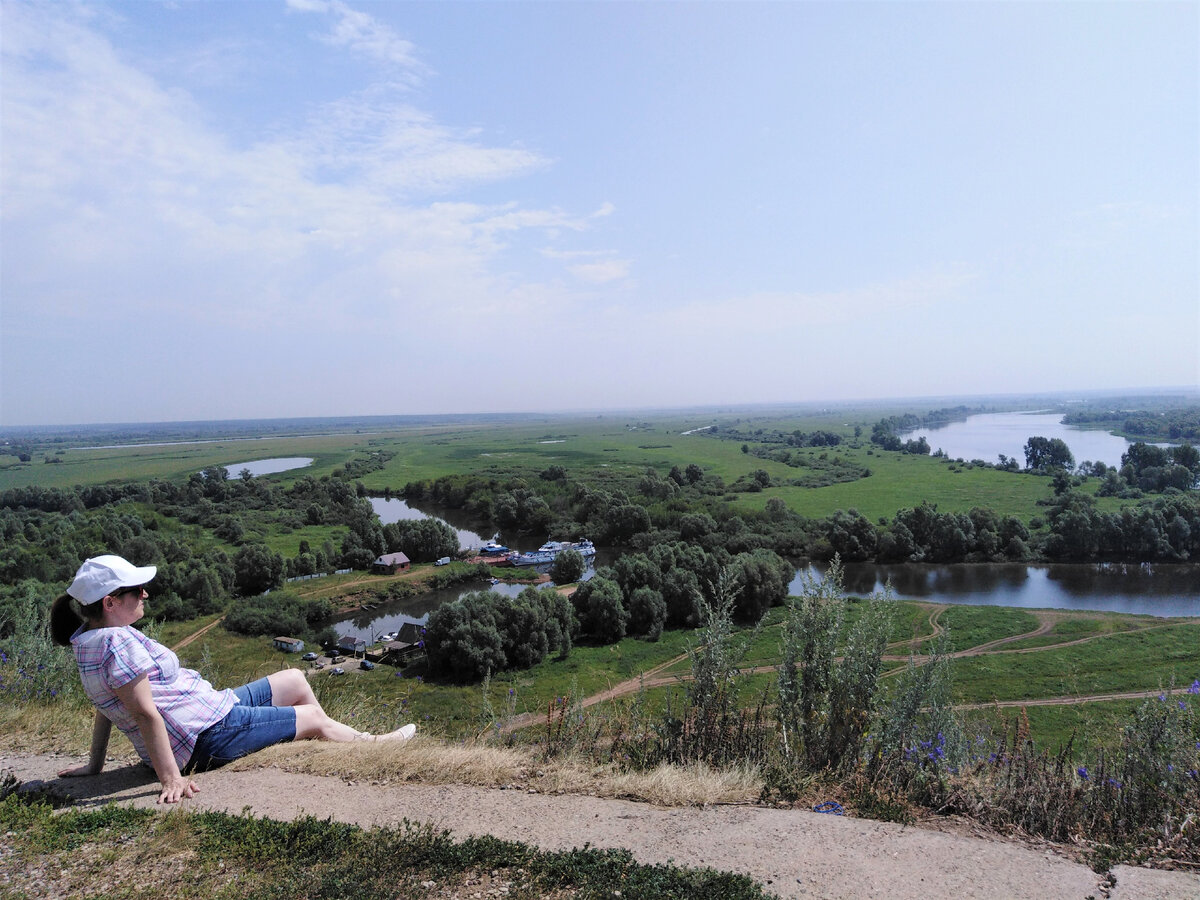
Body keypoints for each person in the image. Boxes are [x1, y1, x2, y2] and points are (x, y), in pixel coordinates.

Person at [50, 554, 416, 803]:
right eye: (135, 590)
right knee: (312, 717)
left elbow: (109, 706)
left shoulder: (87, 641)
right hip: (204, 737)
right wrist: (171, 779)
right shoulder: (116, 643)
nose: (145, 593)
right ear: (110, 602)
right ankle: (372, 745)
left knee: (294, 678)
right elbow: (143, 713)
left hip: (211, 712)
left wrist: (95, 765)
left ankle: (321, 739)